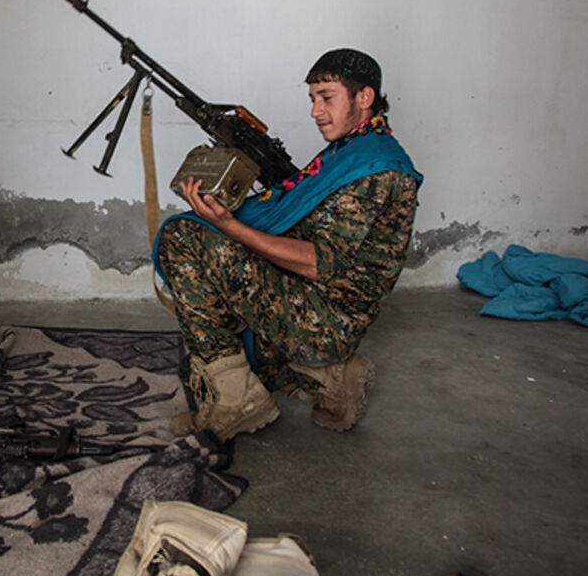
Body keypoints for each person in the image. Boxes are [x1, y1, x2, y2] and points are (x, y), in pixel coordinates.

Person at [154, 48, 422, 439]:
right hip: (308, 300)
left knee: (185, 238)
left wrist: (229, 225)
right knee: (214, 344)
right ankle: (332, 377)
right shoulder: (352, 149)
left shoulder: (375, 169)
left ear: (364, 98)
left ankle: (239, 401)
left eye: (327, 97)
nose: (315, 111)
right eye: (313, 99)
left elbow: (318, 263)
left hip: (325, 320)